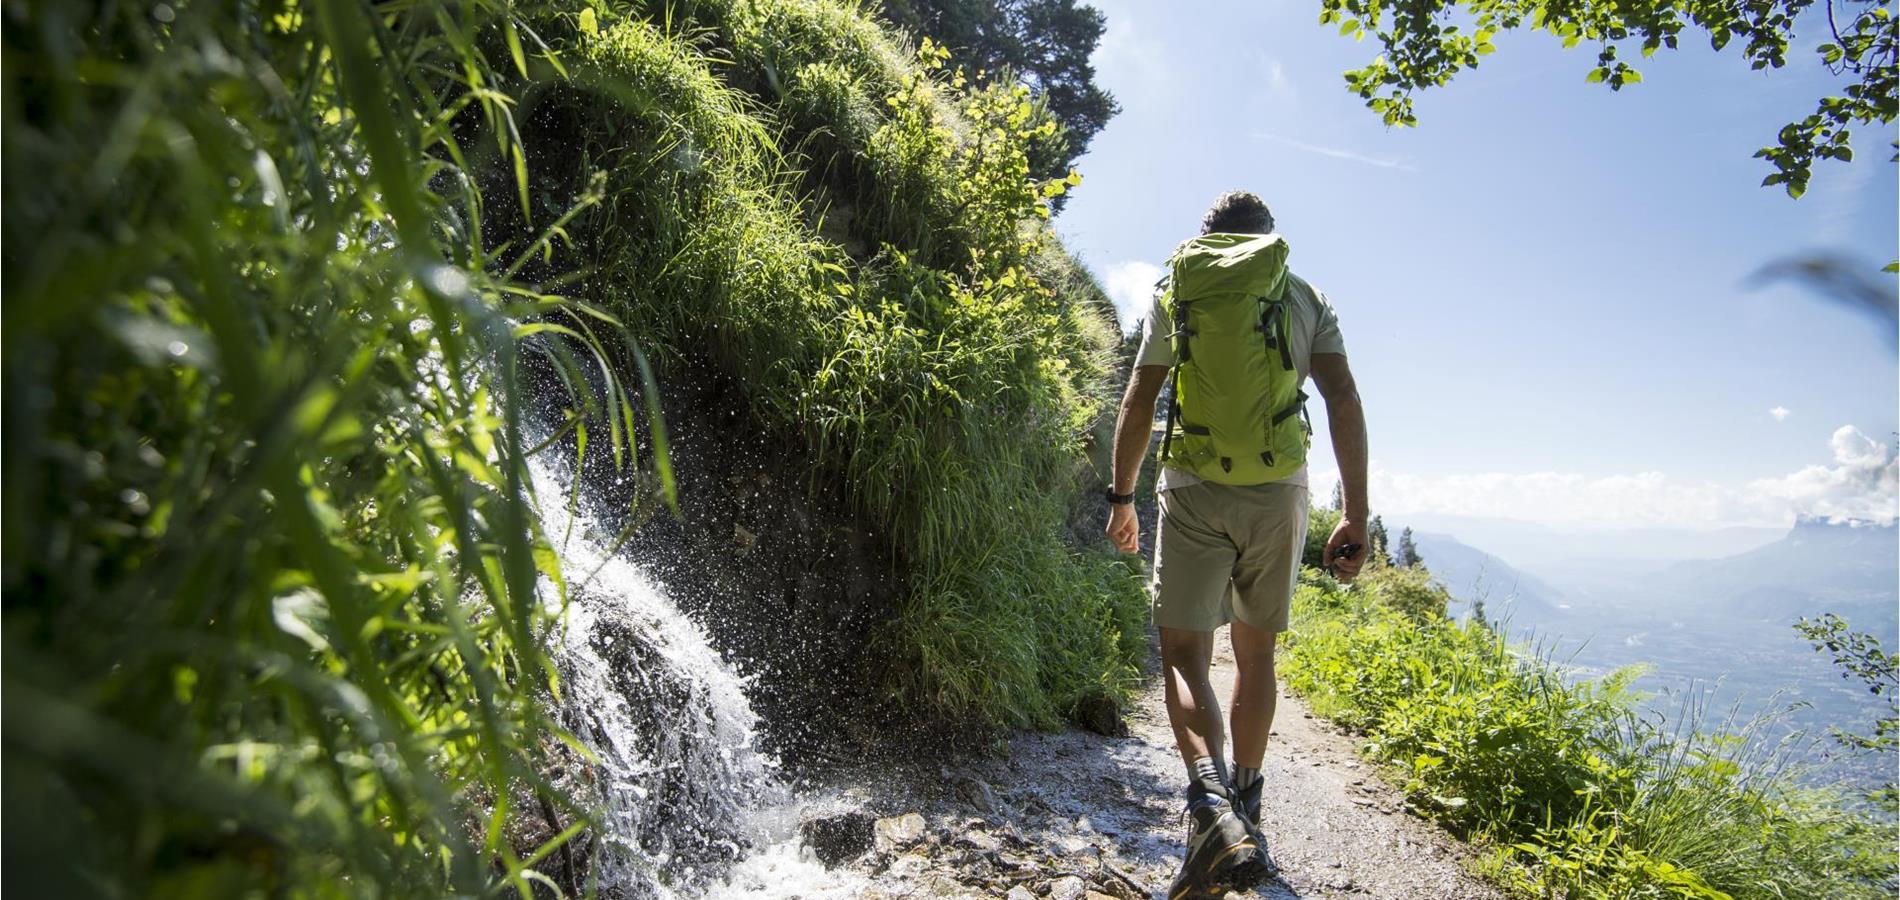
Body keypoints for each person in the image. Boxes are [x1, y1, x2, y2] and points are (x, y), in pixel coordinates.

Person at [1103, 191, 1369, 898]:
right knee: (1255, 654)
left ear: (1207, 238)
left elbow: (1140, 400)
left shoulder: (1179, 290)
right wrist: (1357, 513)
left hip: (1191, 486)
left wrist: (1122, 497)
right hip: (1279, 490)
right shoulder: (1303, 293)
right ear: (1269, 240)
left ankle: (1211, 813)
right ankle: (1246, 809)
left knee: (1186, 653)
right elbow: (1342, 398)